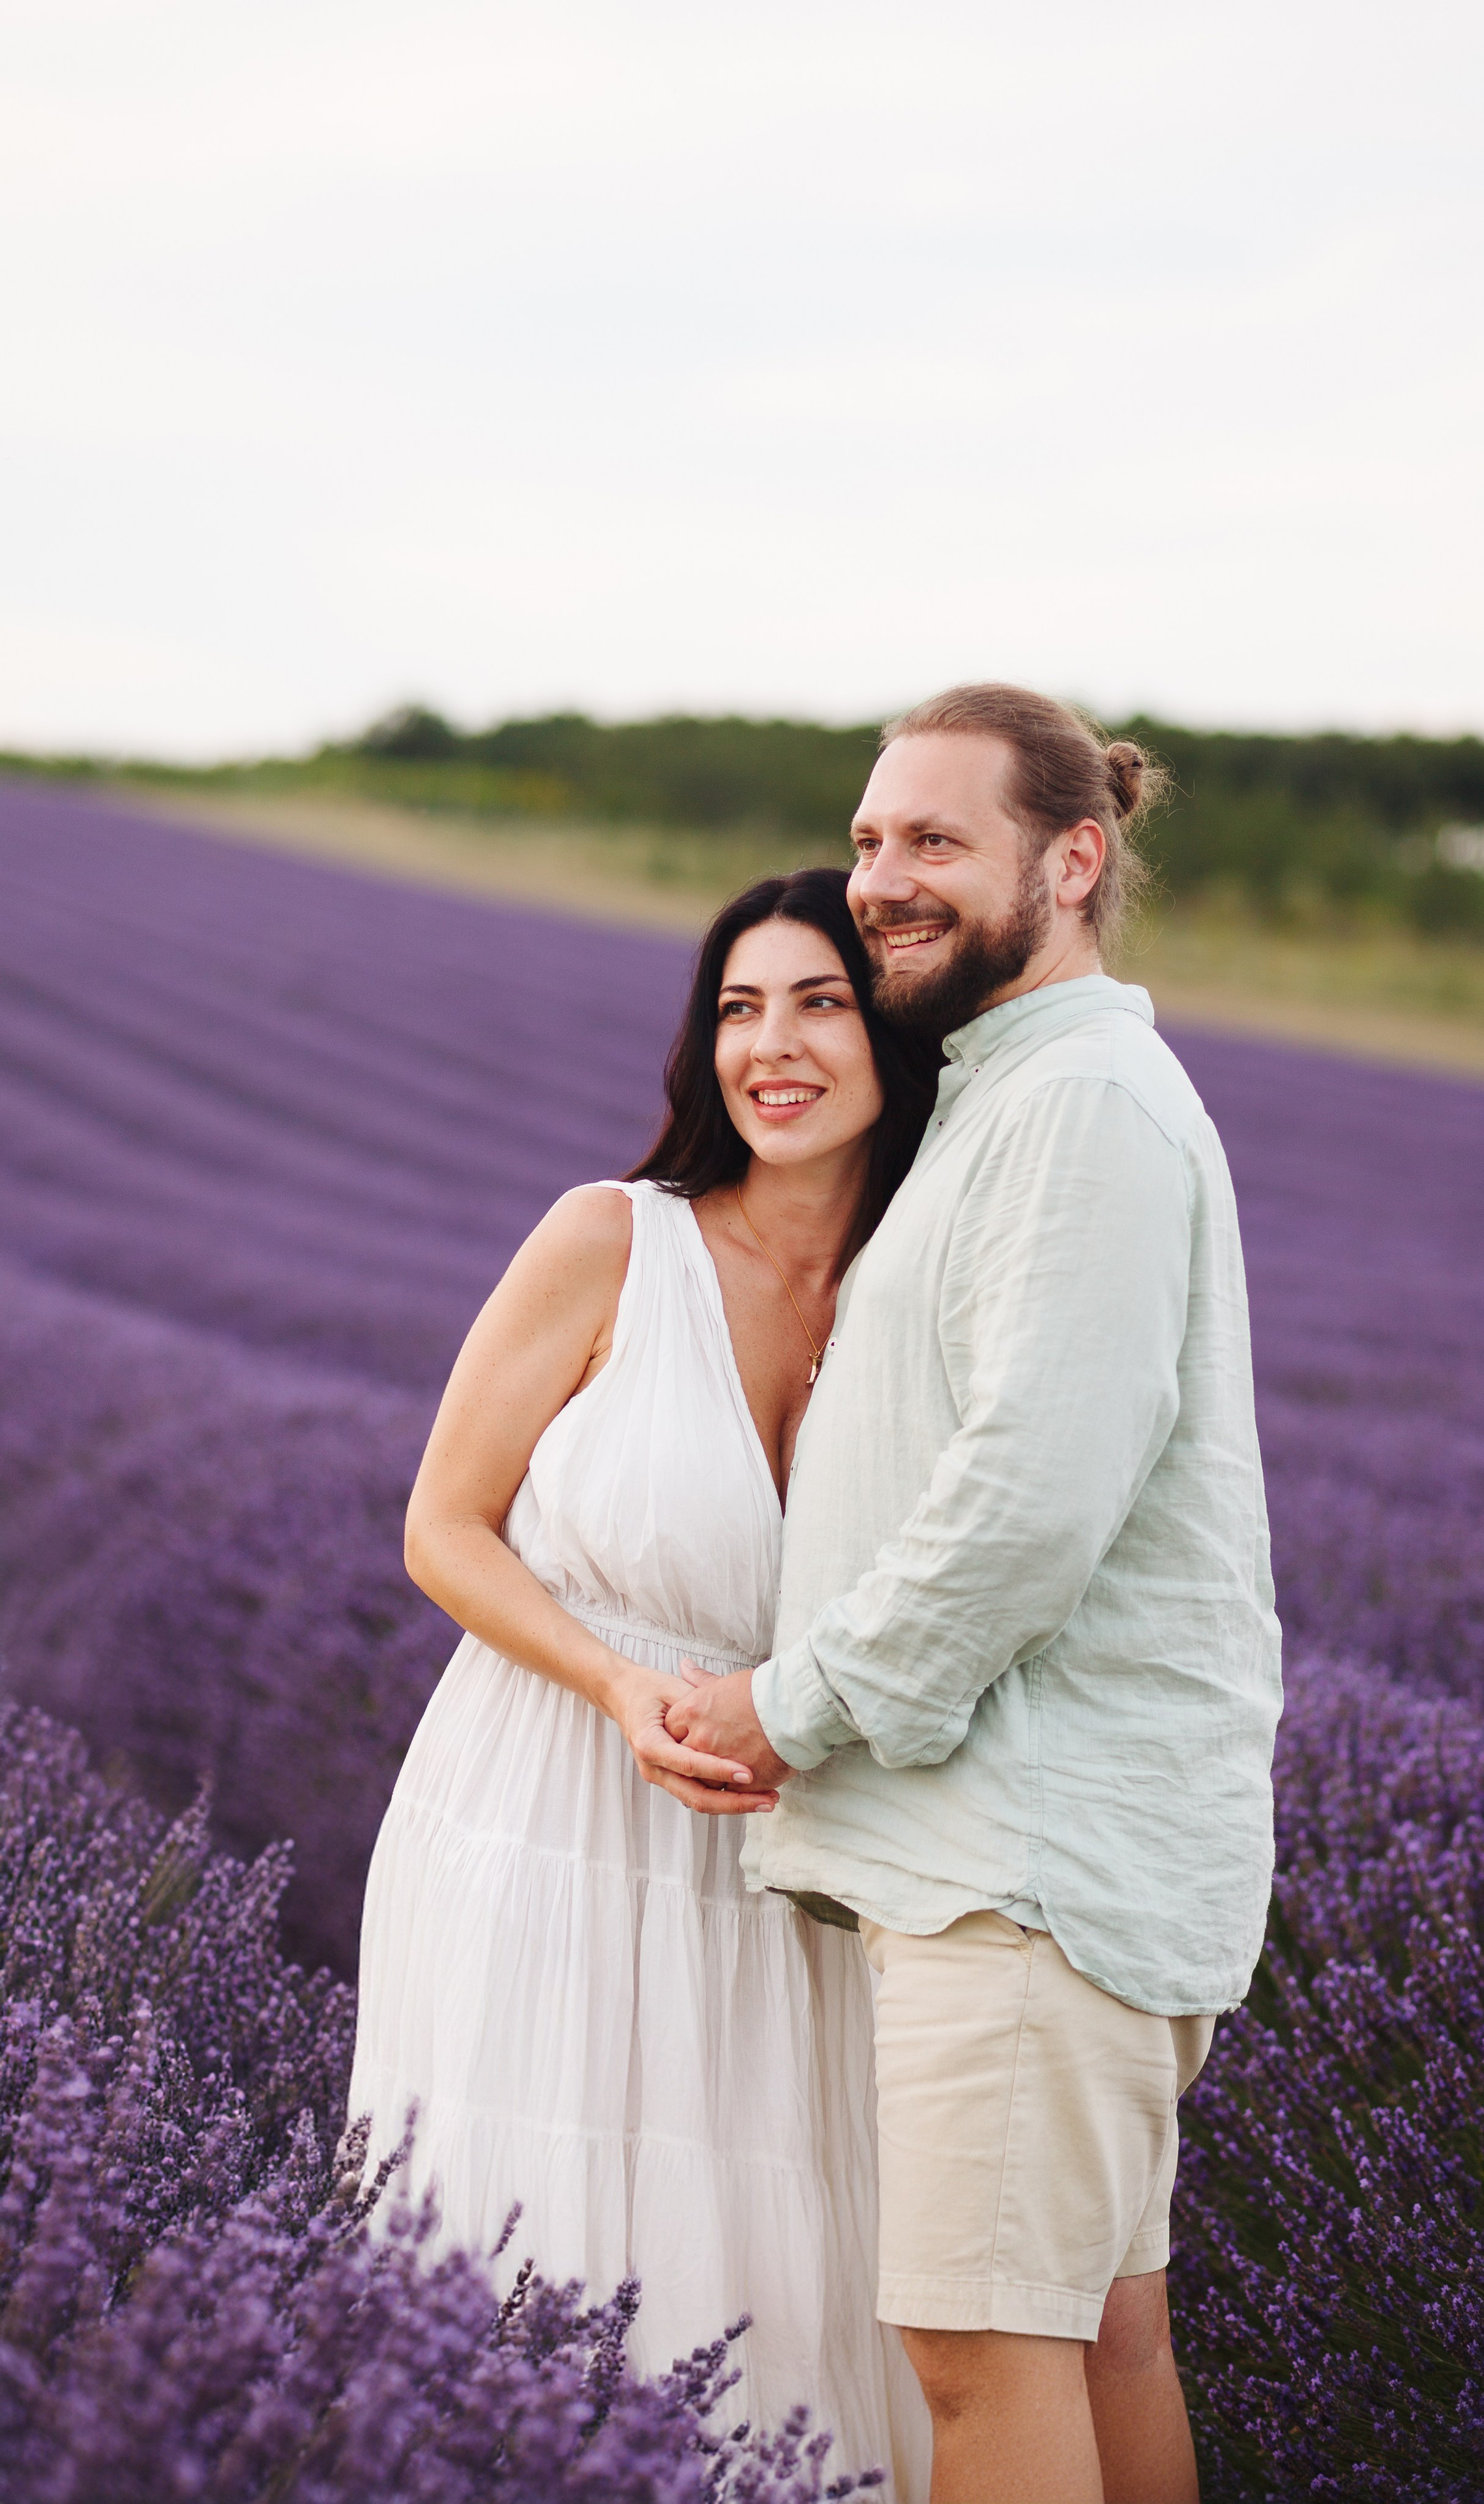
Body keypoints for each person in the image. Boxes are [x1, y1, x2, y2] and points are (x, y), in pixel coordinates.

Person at [670, 686, 1283, 2504]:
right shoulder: (1017, 1093)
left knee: (976, 2366)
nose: (881, 880)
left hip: (1023, 1861)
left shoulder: (1082, 1106)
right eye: (870, 839)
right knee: (1095, 2338)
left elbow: (1030, 1500)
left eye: (935, 840)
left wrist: (790, 1705)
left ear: (1073, 860)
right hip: (1037, 1845)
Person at [348, 867, 937, 2497]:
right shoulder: (610, 1238)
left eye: (820, 1001)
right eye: (739, 1009)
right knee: (521, 2245)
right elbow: (441, 1529)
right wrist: (617, 1687)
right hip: (540, 1814)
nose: (775, 1046)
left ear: (896, 1033)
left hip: (782, 1871)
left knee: (772, 2284)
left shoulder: (923, 1310)